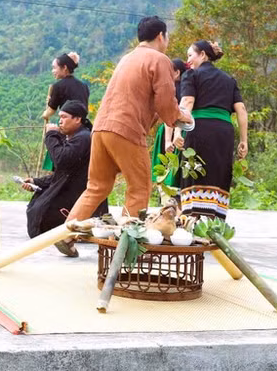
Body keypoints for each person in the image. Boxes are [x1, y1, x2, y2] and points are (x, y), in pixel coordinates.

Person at [62, 16, 192, 255]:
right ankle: (126, 249)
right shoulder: (159, 59)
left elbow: (147, 102)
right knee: (140, 188)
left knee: (97, 187)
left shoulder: (127, 58)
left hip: (101, 128)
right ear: (161, 36)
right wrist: (181, 117)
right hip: (126, 128)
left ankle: (67, 235)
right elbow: (166, 102)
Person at [172, 41, 248, 220]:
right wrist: (244, 140)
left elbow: (187, 103)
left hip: (200, 130)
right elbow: (241, 110)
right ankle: (215, 222)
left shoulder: (191, 75)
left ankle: (194, 220)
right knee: (219, 172)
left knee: (194, 171)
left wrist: (177, 131)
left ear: (203, 55)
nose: (188, 60)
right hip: (224, 133)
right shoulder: (229, 79)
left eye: (191, 55)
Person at [22, 101, 107, 240]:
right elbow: (64, 173)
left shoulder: (83, 138)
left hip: (77, 193)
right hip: (72, 188)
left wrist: (52, 135)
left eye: (64, 117)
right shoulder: (78, 137)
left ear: (77, 119)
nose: (60, 121)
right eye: (60, 117)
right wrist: (36, 182)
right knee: (38, 207)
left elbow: (61, 160)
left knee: (41, 214)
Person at [40, 52, 89, 171]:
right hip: (84, 127)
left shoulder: (58, 86)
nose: (53, 71)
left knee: (59, 163)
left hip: (67, 126)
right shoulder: (83, 86)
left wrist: (44, 114)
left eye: (54, 68)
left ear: (64, 68)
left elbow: (50, 112)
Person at [150, 58, 188, 189]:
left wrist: (167, 140)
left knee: (166, 166)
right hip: (185, 130)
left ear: (177, 73)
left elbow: (169, 116)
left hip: (170, 130)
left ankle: (167, 196)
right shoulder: (187, 88)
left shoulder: (173, 89)